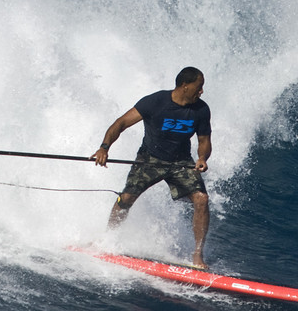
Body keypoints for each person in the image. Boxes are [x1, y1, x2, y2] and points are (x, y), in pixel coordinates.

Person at [91, 67, 213, 268]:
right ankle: (107, 239)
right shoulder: (155, 102)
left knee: (201, 199)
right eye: (198, 87)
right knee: (127, 197)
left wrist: (202, 157)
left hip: (181, 162)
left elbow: (204, 140)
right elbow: (121, 123)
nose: (201, 91)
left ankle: (198, 255)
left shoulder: (201, 109)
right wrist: (104, 148)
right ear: (185, 86)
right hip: (150, 159)